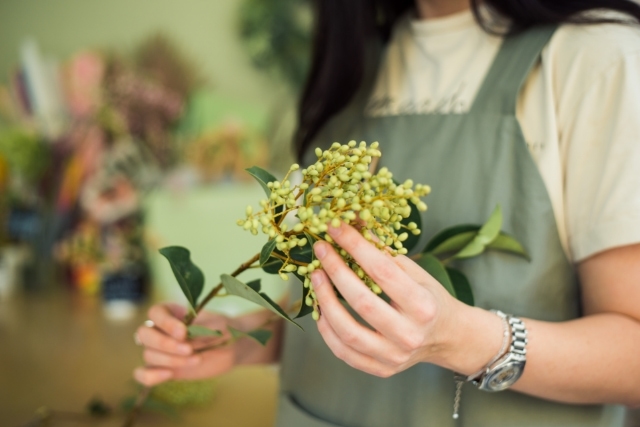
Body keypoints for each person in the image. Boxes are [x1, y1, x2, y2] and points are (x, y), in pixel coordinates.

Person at [133, 0, 640, 425]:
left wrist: (470, 342)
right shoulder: (351, 65)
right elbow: (331, 299)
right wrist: (250, 341)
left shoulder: (596, 57)